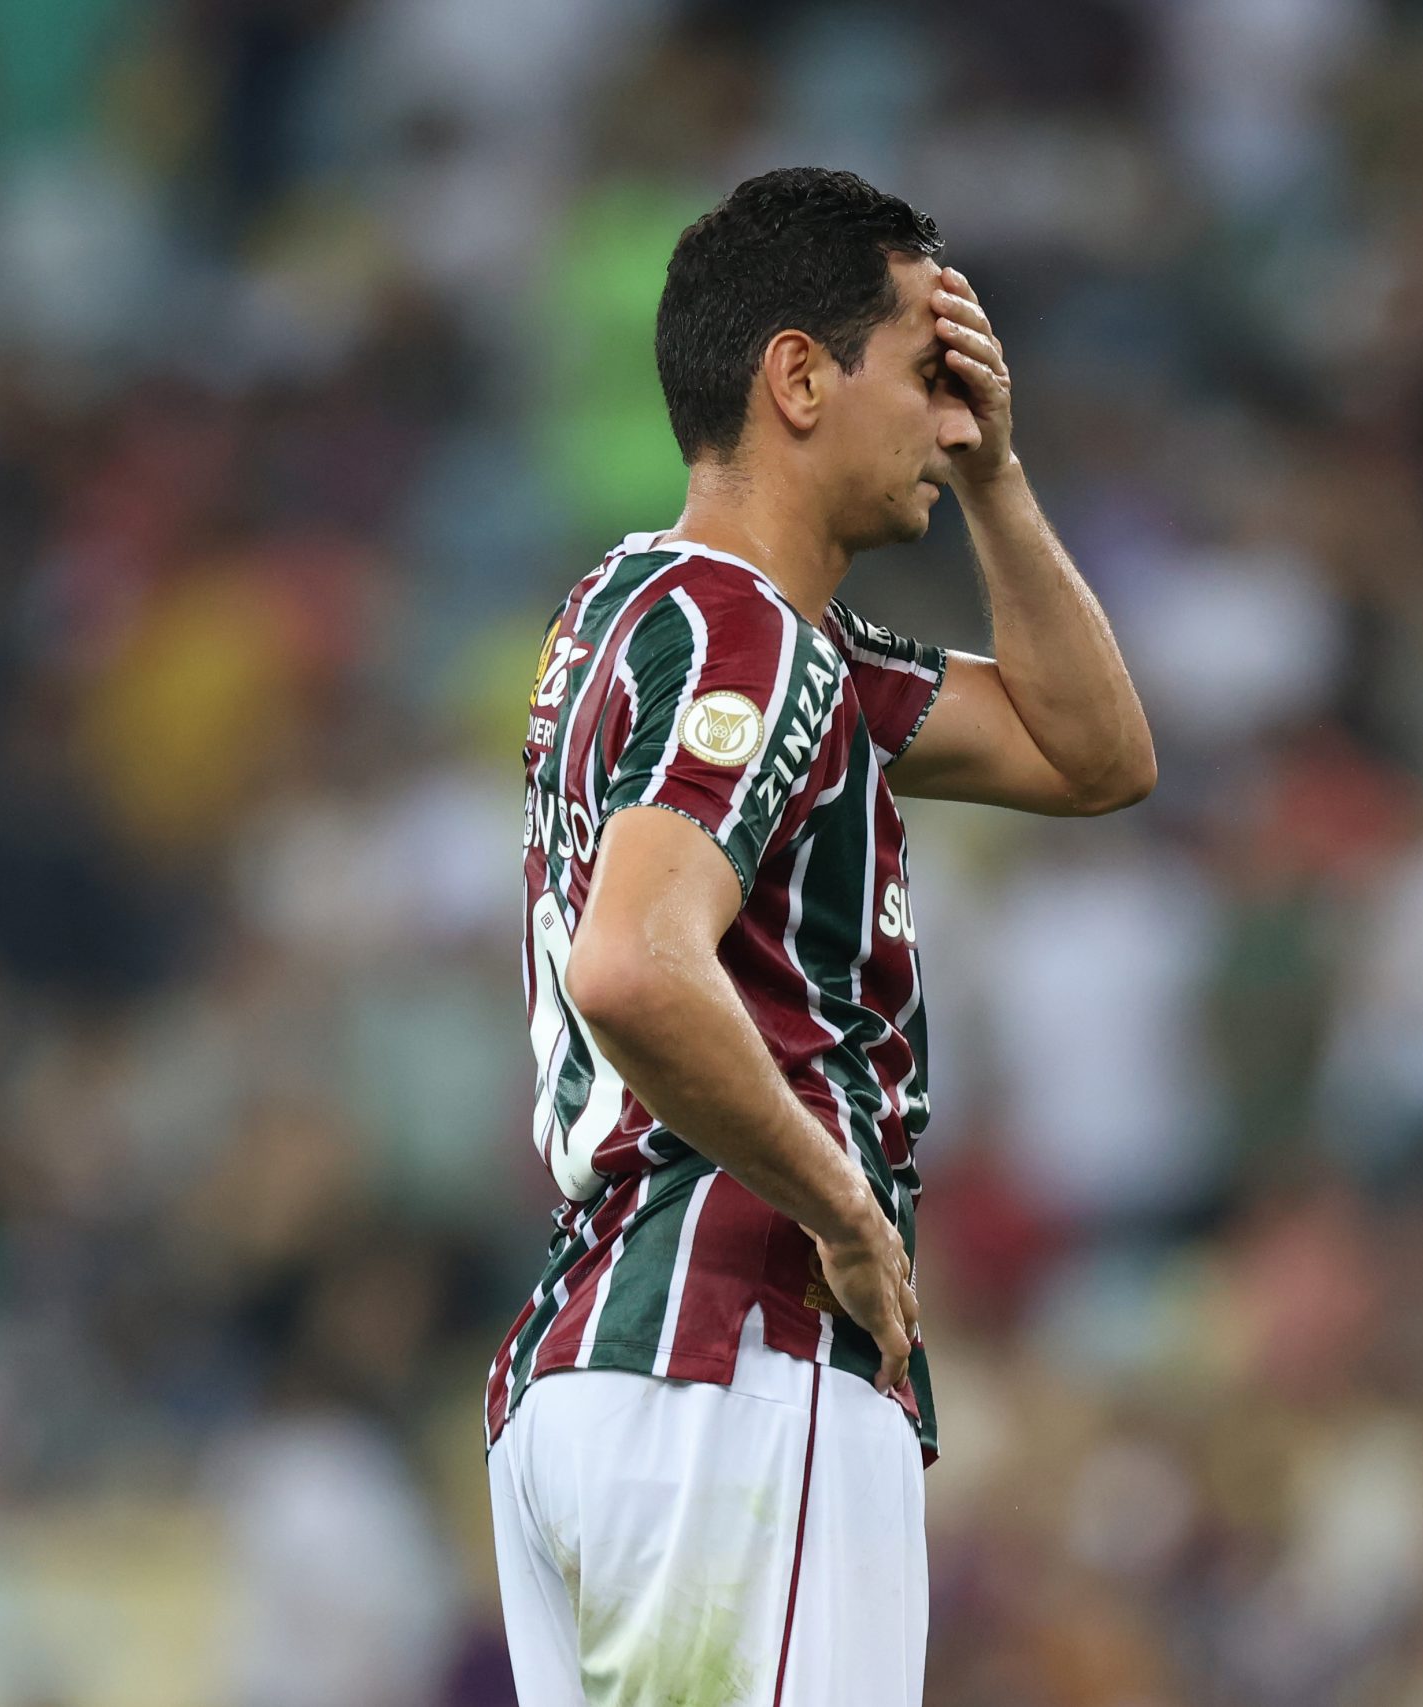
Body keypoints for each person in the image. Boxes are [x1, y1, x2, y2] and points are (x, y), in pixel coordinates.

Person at [482, 166, 1156, 1706]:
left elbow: (1095, 755)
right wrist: (848, 1213)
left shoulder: (644, 615)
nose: (950, 414)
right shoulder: (750, 633)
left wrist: (997, 480)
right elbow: (634, 961)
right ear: (797, 375)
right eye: (928, 374)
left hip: (604, 1367)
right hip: (736, 1355)